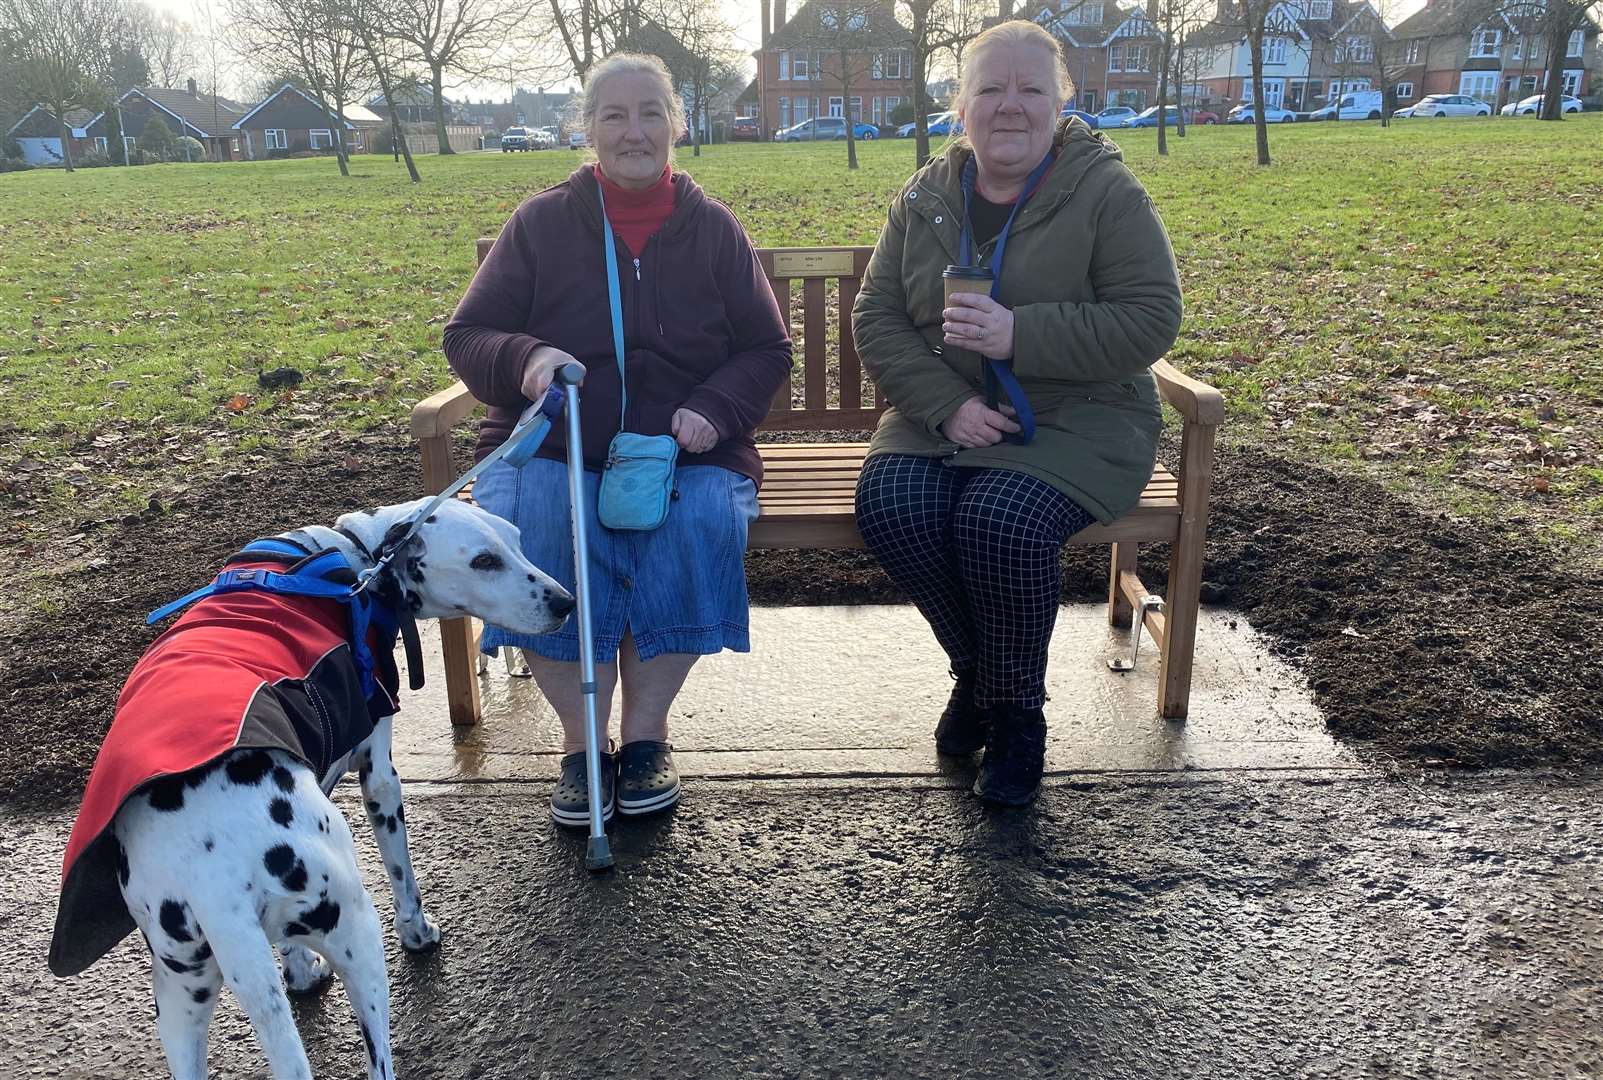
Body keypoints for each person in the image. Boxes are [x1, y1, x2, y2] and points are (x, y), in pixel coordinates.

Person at [444, 53, 791, 827]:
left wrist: (714, 406)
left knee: (699, 521)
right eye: (613, 115)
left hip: (686, 450)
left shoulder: (713, 229)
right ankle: (578, 747)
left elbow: (766, 349)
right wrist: (527, 359)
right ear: (588, 129)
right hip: (558, 444)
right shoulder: (539, 224)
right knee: (537, 528)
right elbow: (467, 335)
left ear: (677, 124)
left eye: (649, 113)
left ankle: (644, 740)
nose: (633, 131)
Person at [851, 20, 1184, 807]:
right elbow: (877, 317)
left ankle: (1015, 718)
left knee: (999, 521)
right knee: (892, 505)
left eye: (1030, 89)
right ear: (958, 107)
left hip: (1081, 414)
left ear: (1061, 102)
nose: (1009, 106)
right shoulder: (926, 196)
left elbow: (1150, 318)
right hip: (946, 406)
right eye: (989, 90)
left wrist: (1018, 332)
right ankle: (980, 676)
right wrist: (946, 405)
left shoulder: (1104, 189)